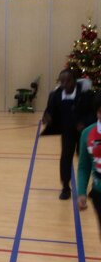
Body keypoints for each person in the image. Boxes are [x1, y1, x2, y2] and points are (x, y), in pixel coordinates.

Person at [42, 69, 95, 200]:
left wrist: (84, 123)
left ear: (74, 81)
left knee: (90, 158)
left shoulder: (86, 94)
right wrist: (47, 117)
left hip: (84, 132)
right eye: (62, 81)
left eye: (68, 81)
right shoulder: (55, 95)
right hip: (67, 131)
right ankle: (65, 187)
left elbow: (93, 113)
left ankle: (95, 187)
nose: (65, 84)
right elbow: (49, 111)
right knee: (65, 157)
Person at [77, 92, 101, 230]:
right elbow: (84, 167)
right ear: (97, 112)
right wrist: (81, 192)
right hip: (98, 194)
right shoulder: (87, 134)